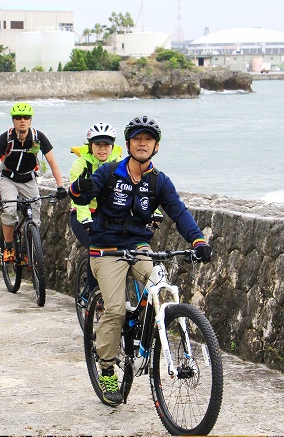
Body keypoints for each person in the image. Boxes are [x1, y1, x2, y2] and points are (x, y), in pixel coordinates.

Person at [69, 115, 213, 405]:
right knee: (115, 309)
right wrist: (80, 188)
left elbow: (179, 211)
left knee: (160, 286)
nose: (142, 143)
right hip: (105, 249)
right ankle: (107, 368)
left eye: (148, 139)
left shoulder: (159, 181)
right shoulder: (109, 172)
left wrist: (197, 240)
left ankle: (145, 335)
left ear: (156, 146)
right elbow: (84, 195)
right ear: (128, 144)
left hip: (138, 246)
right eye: (137, 138)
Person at [0, 102, 67, 262]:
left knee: (35, 218)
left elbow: (52, 162)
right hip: (9, 179)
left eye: (26, 117)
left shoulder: (38, 137)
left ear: (30, 120)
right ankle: (8, 247)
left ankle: (28, 251)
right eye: (18, 118)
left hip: (29, 180)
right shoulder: (6, 138)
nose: (22, 121)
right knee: (9, 212)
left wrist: (60, 186)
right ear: (13, 120)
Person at [69, 122, 122, 295]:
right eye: (98, 144)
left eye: (106, 144)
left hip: (108, 216)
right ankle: (94, 294)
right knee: (96, 247)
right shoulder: (81, 164)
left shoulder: (122, 164)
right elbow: (77, 198)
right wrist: (86, 219)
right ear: (90, 145)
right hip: (83, 214)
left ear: (112, 146)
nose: (102, 149)